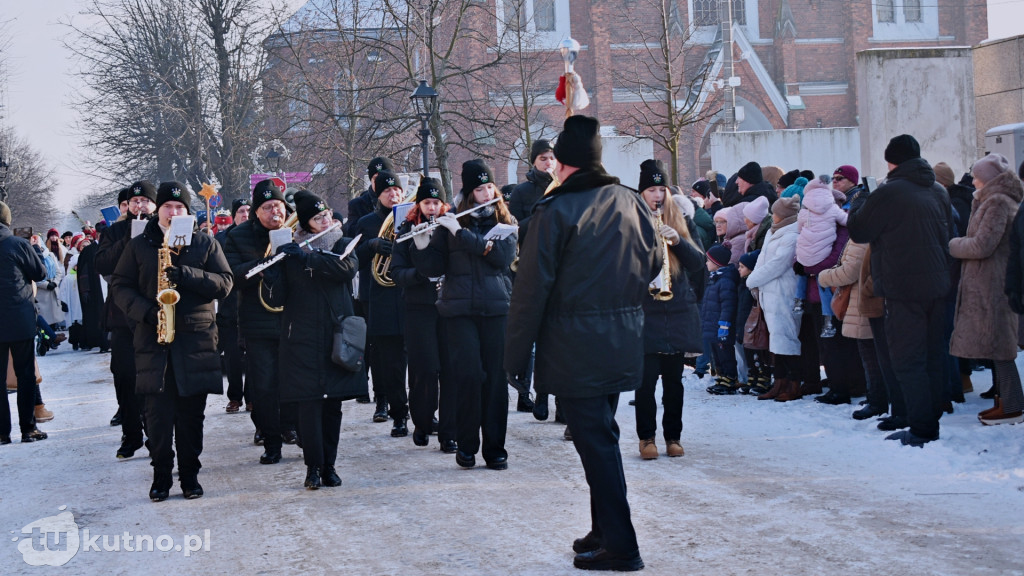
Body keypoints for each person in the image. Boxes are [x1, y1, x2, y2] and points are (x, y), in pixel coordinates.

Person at [505, 115, 656, 571]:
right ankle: (603, 528)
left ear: (563, 166)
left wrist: (514, 356)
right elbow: (650, 263)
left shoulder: (554, 212)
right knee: (601, 436)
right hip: (622, 337)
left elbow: (530, 290)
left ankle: (623, 546)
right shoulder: (631, 201)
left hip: (576, 343)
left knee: (597, 444)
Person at [110, 182, 232, 500]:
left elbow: (225, 283)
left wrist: (189, 275)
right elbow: (120, 286)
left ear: (188, 212)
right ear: (158, 210)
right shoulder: (139, 245)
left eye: (180, 208)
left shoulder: (205, 243)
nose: (174, 212)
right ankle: (161, 475)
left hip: (196, 341)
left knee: (192, 417)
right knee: (157, 417)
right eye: (168, 206)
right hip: (154, 340)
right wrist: (146, 312)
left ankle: (190, 476)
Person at [848, 134, 953, 447]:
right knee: (933, 355)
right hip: (937, 284)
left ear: (890, 161)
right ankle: (928, 417)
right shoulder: (937, 190)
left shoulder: (889, 192)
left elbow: (858, 229)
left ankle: (921, 427)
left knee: (907, 359)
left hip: (903, 287)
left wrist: (861, 199)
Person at [414, 159, 517, 469]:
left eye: (489, 187)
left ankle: (495, 448)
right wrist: (421, 246)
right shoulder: (450, 222)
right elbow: (434, 268)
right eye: (479, 188)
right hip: (458, 310)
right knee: (468, 377)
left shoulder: (505, 223)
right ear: (470, 193)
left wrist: (462, 233)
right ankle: (467, 444)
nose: (486, 193)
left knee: (496, 380)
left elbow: (501, 257)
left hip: (496, 308)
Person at [260, 190, 365, 488]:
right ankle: (312, 468)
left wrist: (309, 257)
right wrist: (273, 273)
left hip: (337, 335)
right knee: (308, 405)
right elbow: (278, 298)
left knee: (332, 405)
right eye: (318, 218)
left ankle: (329, 466)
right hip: (301, 337)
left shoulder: (343, 243)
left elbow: (345, 270)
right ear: (306, 222)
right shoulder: (290, 249)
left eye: (327, 215)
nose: (326, 220)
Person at [633, 159, 704, 459]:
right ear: (641, 194)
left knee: (674, 383)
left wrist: (678, 241)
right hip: (646, 313)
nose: (658, 195)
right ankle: (646, 439)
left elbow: (699, 263)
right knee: (645, 383)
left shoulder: (682, 221)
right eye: (651, 189)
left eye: (662, 188)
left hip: (675, 312)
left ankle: (673, 437)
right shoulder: (632, 222)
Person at [224, 179, 296, 463]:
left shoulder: (294, 229)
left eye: (277, 206)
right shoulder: (238, 236)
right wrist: (262, 266)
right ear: (255, 211)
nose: (274, 213)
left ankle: (291, 427)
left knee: (293, 379)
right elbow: (231, 274)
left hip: (292, 318)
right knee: (264, 385)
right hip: (257, 321)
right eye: (267, 208)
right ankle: (270, 439)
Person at [950, 153, 1023, 425]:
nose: (974, 180)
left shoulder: (997, 203)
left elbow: (982, 245)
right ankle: (1006, 401)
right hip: (988, 281)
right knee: (996, 346)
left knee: (1000, 346)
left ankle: (1013, 404)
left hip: (993, 283)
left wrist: (953, 245)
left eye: (978, 175)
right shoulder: (991, 200)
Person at [390, 177, 457, 452]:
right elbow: (396, 272)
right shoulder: (405, 230)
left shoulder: (451, 227)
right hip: (418, 308)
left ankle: (449, 433)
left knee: (451, 370)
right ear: (419, 204)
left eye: (436, 203)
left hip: (450, 307)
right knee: (425, 369)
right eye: (426, 203)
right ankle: (422, 420)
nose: (431, 208)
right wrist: (419, 275)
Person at [95, 181, 158, 459]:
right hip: (122, 316)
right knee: (124, 375)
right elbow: (102, 264)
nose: (140, 205)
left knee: (154, 378)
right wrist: (129, 238)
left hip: (154, 315)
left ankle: (155, 433)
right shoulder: (115, 231)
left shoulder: (163, 229)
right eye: (135, 201)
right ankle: (131, 434)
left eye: (145, 200)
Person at [354, 169, 410, 434]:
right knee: (389, 362)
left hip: (410, 297)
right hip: (382, 298)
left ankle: (422, 413)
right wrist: (370, 245)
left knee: (420, 362)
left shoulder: (413, 217)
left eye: (397, 190)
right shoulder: (366, 222)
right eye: (388, 190)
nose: (393, 194)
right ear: (379, 194)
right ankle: (397, 413)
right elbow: (354, 260)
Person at [507, 138, 556, 413]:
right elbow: (514, 230)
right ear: (534, 162)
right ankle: (529, 393)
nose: (548, 163)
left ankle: (556, 398)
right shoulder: (522, 192)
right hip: (531, 269)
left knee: (556, 339)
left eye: (551, 158)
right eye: (543, 159)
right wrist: (538, 214)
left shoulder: (564, 188)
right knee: (531, 335)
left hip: (559, 269)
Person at [0, 200, 48, 444]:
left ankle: (1, 433)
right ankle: (28, 429)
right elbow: (40, 274)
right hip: (19, 318)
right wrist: (35, 251)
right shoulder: (18, 244)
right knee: (25, 375)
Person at [747, 196, 803, 401]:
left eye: (776, 212)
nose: (773, 215)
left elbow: (779, 263)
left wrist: (752, 279)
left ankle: (793, 383)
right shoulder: (775, 231)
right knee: (776, 340)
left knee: (787, 338)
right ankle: (779, 382)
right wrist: (757, 281)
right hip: (769, 291)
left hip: (783, 291)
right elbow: (763, 259)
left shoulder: (792, 234)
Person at [215, 198, 249, 414]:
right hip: (229, 304)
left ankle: (253, 397)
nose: (245, 214)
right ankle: (235, 397)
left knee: (254, 355)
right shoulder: (220, 239)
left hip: (252, 302)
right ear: (234, 215)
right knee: (232, 356)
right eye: (241, 211)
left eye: (248, 210)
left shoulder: (256, 235)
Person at [702, 244, 740, 394]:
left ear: (717, 263)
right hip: (713, 325)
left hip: (721, 326)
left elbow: (728, 305)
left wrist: (724, 325)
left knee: (725, 353)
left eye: (709, 261)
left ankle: (730, 378)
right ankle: (722, 376)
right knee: (717, 354)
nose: (706, 263)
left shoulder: (725, 281)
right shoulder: (715, 279)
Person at [344, 157, 394, 237]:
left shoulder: (404, 201)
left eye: (385, 178)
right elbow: (352, 235)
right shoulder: (357, 205)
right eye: (376, 178)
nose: (381, 182)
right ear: (371, 180)